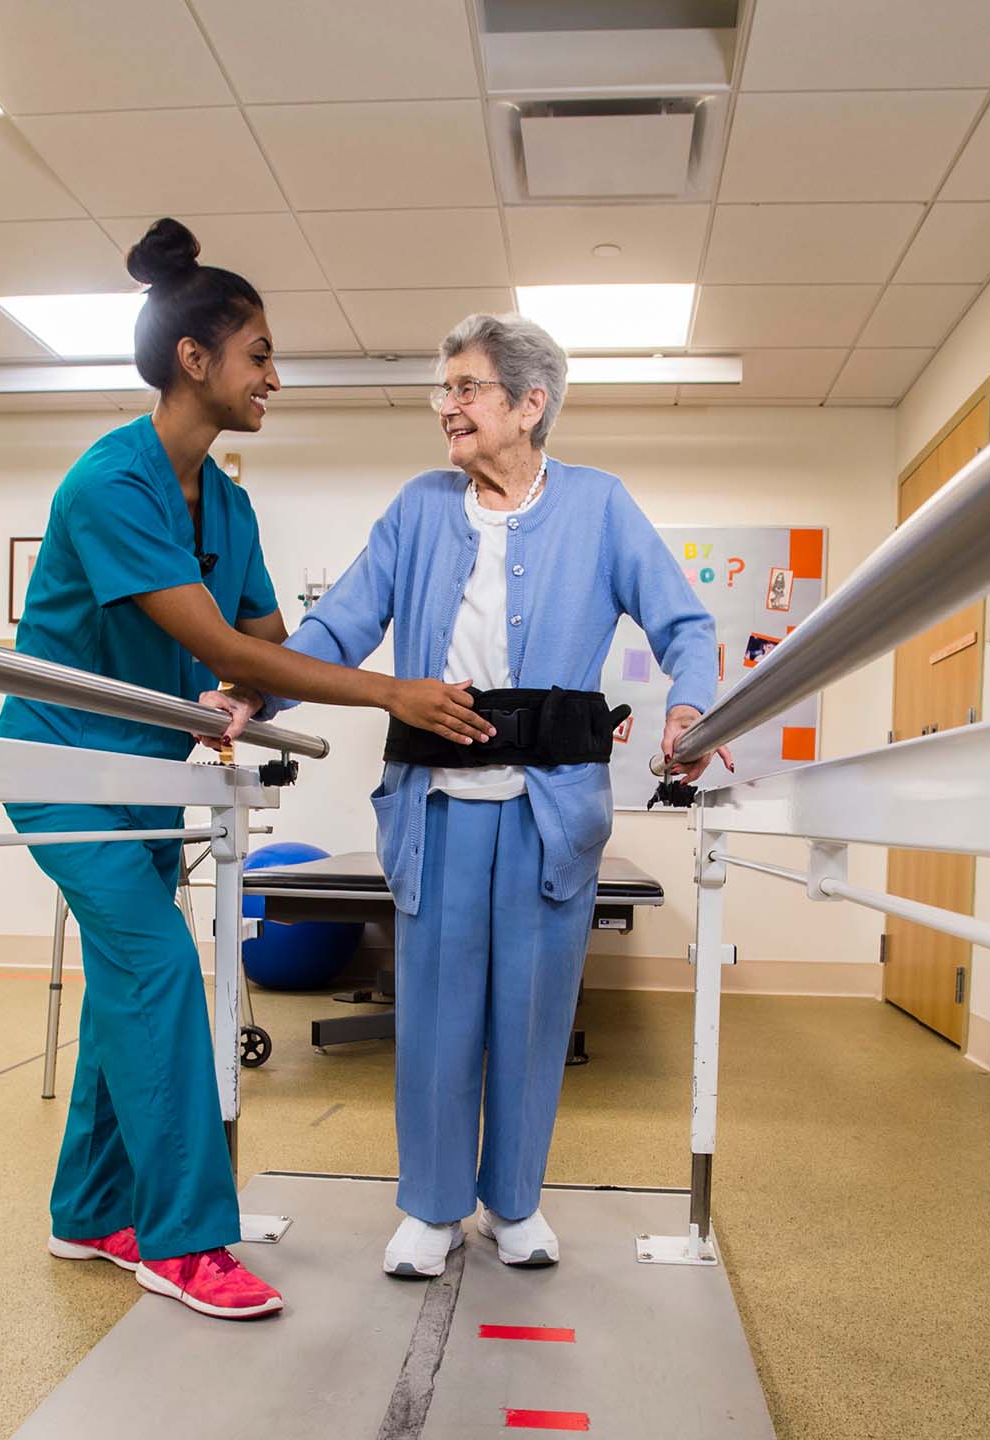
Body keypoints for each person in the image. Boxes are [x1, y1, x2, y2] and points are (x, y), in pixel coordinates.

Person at [0, 219, 492, 1321]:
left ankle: (85, 1211)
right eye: (259, 352)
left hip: (148, 772)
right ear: (194, 360)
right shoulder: (110, 484)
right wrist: (389, 694)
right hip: (62, 763)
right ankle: (181, 1242)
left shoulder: (223, 498)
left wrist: (257, 697)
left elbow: (269, 642)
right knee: (164, 975)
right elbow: (222, 647)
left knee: (135, 983)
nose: (274, 374)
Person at [210, 313, 732, 1278]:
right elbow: (338, 628)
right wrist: (253, 690)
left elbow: (685, 620)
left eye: (467, 387)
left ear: (530, 405)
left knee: (533, 1016)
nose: (446, 405)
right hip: (438, 804)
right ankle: (434, 1207)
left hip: (551, 811)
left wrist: (689, 709)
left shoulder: (600, 506)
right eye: (443, 387)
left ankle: (515, 1204)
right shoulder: (417, 508)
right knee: (441, 1012)